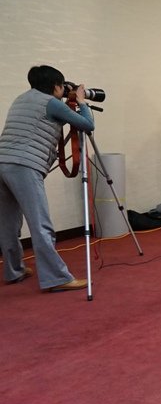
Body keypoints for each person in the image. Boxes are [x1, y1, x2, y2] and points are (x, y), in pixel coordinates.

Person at [0, 65, 95, 292]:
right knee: (40, 223)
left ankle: (14, 271)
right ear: (55, 86)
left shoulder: (21, 99)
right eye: (62, 86)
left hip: (2, 162)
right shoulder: (51, 103)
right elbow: (87, 124)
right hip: (24, 165)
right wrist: (81, 101)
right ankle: (56, 279)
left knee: (7, 223)